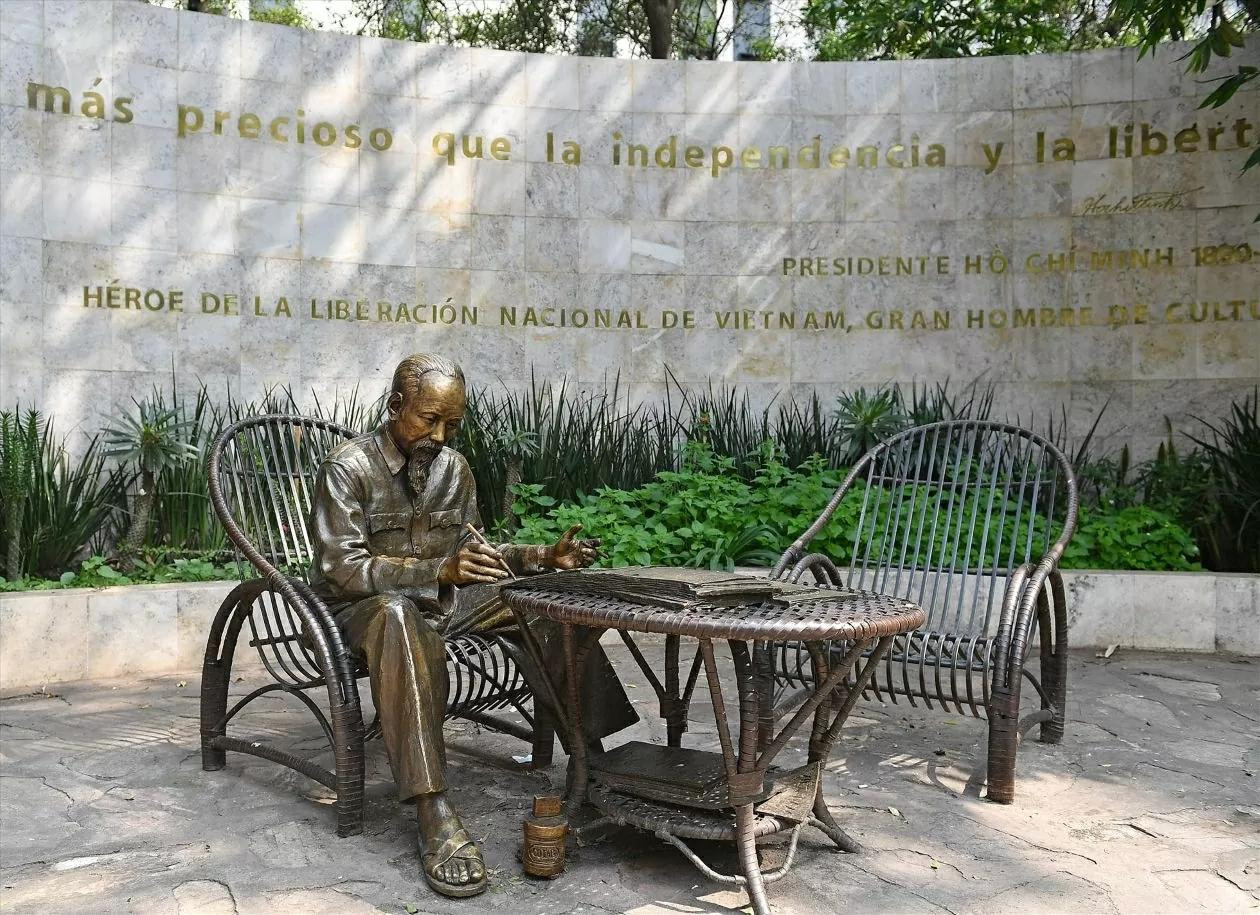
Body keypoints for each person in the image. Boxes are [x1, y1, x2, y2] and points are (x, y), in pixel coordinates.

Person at [308, 353, 636, 898]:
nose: (440, 434)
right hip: (355, 613)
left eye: (453, 424)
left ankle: (593, 755)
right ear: (396, 405)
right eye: (429, 419)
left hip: (440, 605)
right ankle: (431, 806)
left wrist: (539, 558)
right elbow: (338, 569)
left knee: (538, 601)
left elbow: (472, 552)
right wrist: (435, 571)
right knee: (397, 614)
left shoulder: (454, 469)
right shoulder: (349, 468)